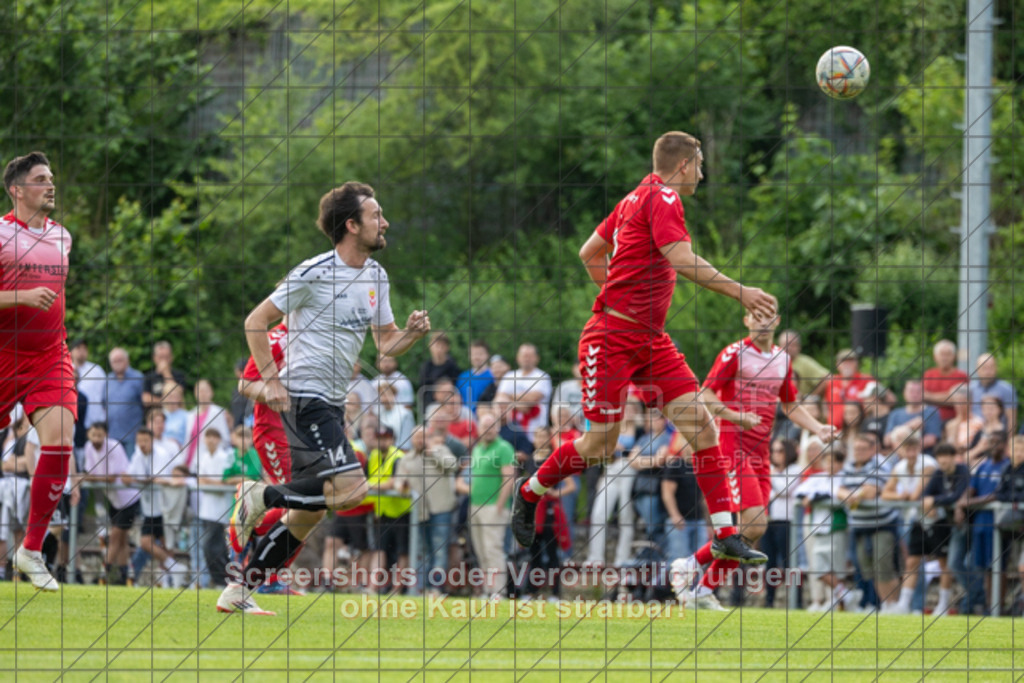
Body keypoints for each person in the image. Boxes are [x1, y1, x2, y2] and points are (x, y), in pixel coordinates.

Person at [511, 132, 778, 585]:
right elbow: (683, 260)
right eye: (700, 164)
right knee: (602, 445)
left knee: (700, 424)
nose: (703, 173)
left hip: (649, 339)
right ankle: (531, 490)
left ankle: (725, 533)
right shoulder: (665, 196)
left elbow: (588, 253)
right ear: (684, 165)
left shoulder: (633, 198)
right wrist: (742, 292)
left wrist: (622, 294)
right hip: (611, 337)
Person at [220, 181, 429, 615]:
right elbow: (256, 321)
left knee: (310, 513)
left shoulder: (376, 275)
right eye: (376, 215)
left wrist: (409, 333)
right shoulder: (313, 272)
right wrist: (273, 381)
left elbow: (386, 346)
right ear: (351, 225)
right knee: (352, 491)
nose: (384, 222)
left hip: (331, 402)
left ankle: (239, 591)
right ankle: (260, 497)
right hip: (303, 398)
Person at [672, 312, 836, 610]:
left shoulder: (783, 360)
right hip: (732, 446)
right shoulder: (735, 352)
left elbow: (790, 404)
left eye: (768, 316)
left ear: (776, 321)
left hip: (760, 453)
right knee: (755, 521)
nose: (762, 321)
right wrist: (737, 417)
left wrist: (818, 428)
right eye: (756, 315)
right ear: (746, 319)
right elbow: (705, 394)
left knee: (754, 530)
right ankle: (692, 567)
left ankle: (699, 583)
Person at [1, 152, 80, 591]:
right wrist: (21, 298)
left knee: (60, 442)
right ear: (17, 190)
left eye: (51, 177)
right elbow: (27, 295)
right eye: (40, 179)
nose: (51, 185)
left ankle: (31, 550)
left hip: (50, 354)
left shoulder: (63, 237)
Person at [394, 425, 459, 595]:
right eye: (416, 437)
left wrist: (434, 453)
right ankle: (421, 588)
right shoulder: (406, 459)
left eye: (423, 436)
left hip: (440, 509)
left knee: (439, 549)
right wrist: (402, 487)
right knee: (422, 550)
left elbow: (453, 465)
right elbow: (398, 482)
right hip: (419, 512)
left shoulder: (440, 450)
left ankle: (436, 587)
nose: (419, 440)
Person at [880, 428, 938, 614]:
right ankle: (908, 605)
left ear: (919, 447)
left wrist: (902, 496)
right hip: (912, 519)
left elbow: (915, 494)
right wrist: (900, 496)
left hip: (932, 518)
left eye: (914, 448)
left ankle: (917, 605)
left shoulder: (928, 463)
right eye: (907, 448)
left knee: (924, 562)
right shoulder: (900, 467)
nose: (911, 452)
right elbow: (886, 493)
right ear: (902, 449)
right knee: (912, 562)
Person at [912, 442, 969, 616]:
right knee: (950, 563)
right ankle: (947, 604)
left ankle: (975, 597)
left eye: (946, 457)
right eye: (940, 458)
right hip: (947, 524)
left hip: (966, 524)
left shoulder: (962, 471)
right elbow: (924, 496)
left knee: (959, 563)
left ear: (954, 458)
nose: (943, 461)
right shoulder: (938, 474)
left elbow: (957, 495)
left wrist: (935, 501)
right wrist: (933, 501)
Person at [123, 427, 183, 587]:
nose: (142, 444)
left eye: (145, 441)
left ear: (151, 441)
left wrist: (139, 479)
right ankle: (174, 569)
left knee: (164, 544)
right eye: (139, 441)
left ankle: (170, 577)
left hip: (164, 506)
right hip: (149, 507)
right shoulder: (137, 454)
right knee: (149, 543)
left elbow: (156, 478)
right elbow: (129, 476)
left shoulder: (161, 454)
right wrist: (133, 478)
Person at [81, 422, 140, 585]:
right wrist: (92, 477)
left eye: (100, 435)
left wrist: (92, 478)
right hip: (114, 500)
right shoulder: (88, 447)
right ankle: (123, 576)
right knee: (121, 541)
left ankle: (103, 575)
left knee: (115, 537)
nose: (96, 439)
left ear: (106, 435)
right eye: (94, 435)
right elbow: (90, 473)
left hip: (129, 499)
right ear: (88, 435)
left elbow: (111, 478)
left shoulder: (114, 447)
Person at [469, 410, 516, 597]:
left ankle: (498, 591)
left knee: (493, 549)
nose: (487, 430)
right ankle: (487, 589)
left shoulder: (504, 448)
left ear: (496, 428)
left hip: (494, 507)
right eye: (484, 426)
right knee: (480, 550)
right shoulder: (477, 448)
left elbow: (509, 478)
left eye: (491, 426)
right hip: (476, 506)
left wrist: (500, 505)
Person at [495, 343, 553, 442]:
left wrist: (509, 398)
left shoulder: (543, 377)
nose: (527, 359)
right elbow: (499, 399)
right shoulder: (509, 376)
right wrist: (521, 400)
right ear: (518, 358)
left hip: (536, 437)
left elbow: (532, 400)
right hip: (509, 434)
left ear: (537, 358)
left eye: (530, 356)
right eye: (524, 355)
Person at [103, 347, 146, 457]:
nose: (117, 363)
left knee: (131, 470)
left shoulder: (138, 378)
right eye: (114, 361)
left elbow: (145, 404)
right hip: (112, 435)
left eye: (120, 360)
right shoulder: (108, 380)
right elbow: (104, 405)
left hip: (132, 435)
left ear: (127, 360)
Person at [885, 379, 942, 454]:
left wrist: (908, 450)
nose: (914, 395)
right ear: (904, 393)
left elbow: (931, 439)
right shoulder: (895, 414)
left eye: (918, 392)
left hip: (923, 455)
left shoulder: (931, 411)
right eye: (911, 391)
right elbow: (887, 441)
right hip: (897, 457)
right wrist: (909, 426)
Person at [823, 349, 875, 429]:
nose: (847, 365)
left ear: (856, 363)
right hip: (834, 431)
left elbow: (882, 402)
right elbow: (825, 403)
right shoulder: (831, 382)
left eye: (850, 361)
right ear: (837, 364)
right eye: (844, 362)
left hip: (858, 431)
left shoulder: (866, 380)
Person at [969, 353, 1018, 434]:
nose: (988, 371)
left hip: (998, 436)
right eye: (984, 368)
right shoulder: (970, 389)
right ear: (977, 369)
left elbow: (1011, 419)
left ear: (996, 368)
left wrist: (1009, 443)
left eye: (991, 367)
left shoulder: (1007, 389)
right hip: (973, 434)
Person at [922, 340, 968, 423]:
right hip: (929, 421)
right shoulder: (928, 374)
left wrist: (930, 397)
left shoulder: (961, 376)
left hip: (953, 421)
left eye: (948, 354)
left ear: (954, 356)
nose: (945, 358)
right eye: (942, 354)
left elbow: (959, 401)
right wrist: (948, 396)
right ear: (935, 357)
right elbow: (922, 396)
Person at [777, 330, 829, 399]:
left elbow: (828, 379)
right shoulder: (773, 362)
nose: (788, 347)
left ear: (799, 347)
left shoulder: (805, 363)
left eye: (792, 345)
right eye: (785, 344)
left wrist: (811, 397)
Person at [69, 340, 106, 429]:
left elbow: (105, 396)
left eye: (84, 349)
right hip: (71, 423)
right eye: (78, 348)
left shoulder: (97, 371)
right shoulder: (65, 370)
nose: (82, 352)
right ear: (71, 352)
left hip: (94, 422)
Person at [419, 331, 461, 408]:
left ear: (447, 347)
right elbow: (423, 391)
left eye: (442, 346)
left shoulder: (452, 367)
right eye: (436, 345)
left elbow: (455, 390)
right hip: (430, 406)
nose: (439, 349)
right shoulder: (426, 367)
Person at [142, 341, 189, 408]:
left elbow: (179, 394)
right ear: (154, 358)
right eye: (160, 357)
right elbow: (146, 399)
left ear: (171, 358)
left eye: (166, 357)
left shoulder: (179, 375)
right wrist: (168, 402)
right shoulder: (148, 376)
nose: (163, 361)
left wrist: (166, 373)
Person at [456, 340, 494, 415]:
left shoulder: (493, 376)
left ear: (487, 355)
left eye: (480, 354)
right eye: (474, 354)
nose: (477, 357)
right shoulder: (462, 378)